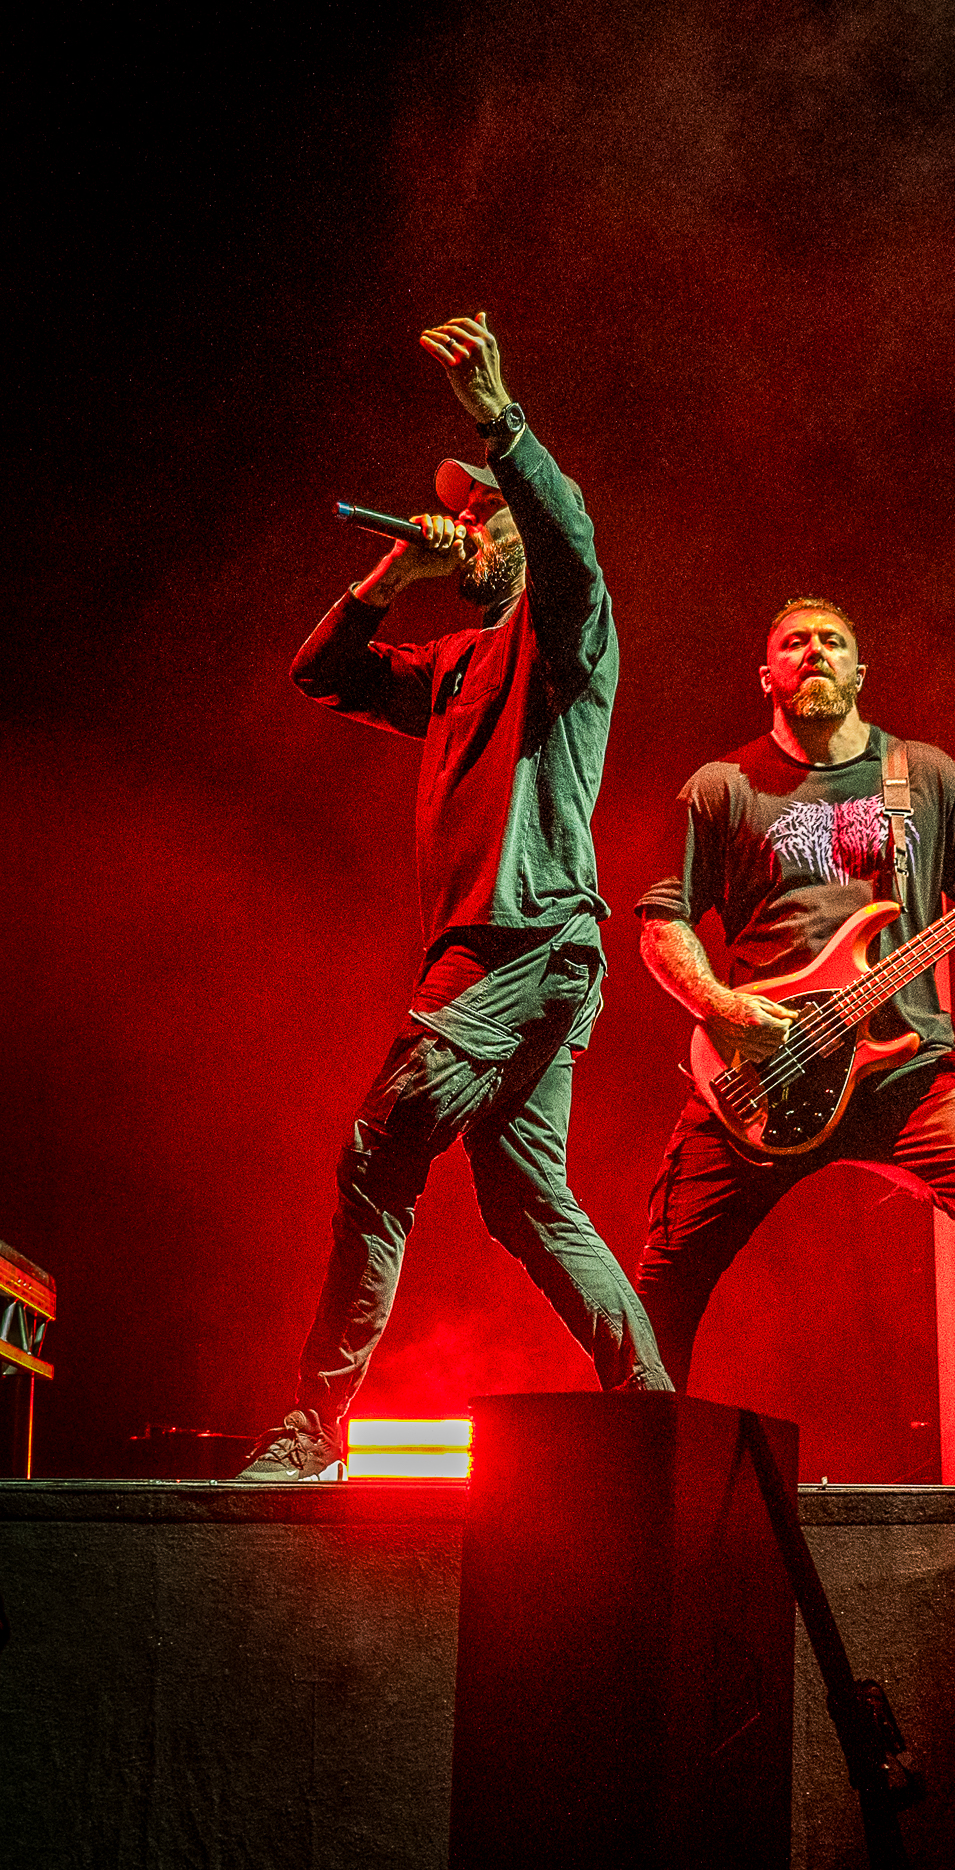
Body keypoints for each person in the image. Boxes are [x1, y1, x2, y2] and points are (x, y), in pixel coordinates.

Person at [240, 312, 670, 1481]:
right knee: (526, 1196)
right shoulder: (454, 666)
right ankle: (653, 1410)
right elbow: (321, 673)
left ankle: (312, 1425)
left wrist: (500, 423)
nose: (470, 525)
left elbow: (570, 541)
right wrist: (396, 574)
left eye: (487, 516)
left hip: (514, 938)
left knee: (376, 1154)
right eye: (464, 515)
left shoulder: (566, 630)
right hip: (535, 951)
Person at [633, 596, 955, 1485]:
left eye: (833, 642)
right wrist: (720, 1004)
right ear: (766, 674)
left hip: (907, 1066)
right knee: (666, 1266)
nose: (813, 652)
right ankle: (637, 1458)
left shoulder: (922, 775)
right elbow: (661, 921)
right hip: (763, 1068)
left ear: (860, 670)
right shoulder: (722, 786)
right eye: (794, 642)